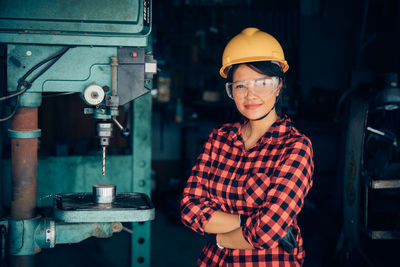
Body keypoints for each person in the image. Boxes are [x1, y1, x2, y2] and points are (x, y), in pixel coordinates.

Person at [180, 27, 314, 266]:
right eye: (240, 86)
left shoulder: (295, 148)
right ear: (231, 91)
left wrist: (219, 237)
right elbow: (190, 209)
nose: (250, 95)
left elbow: (268, 230)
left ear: (279, 86)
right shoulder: (219, 139)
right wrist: (253, 221)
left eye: (262, 83)